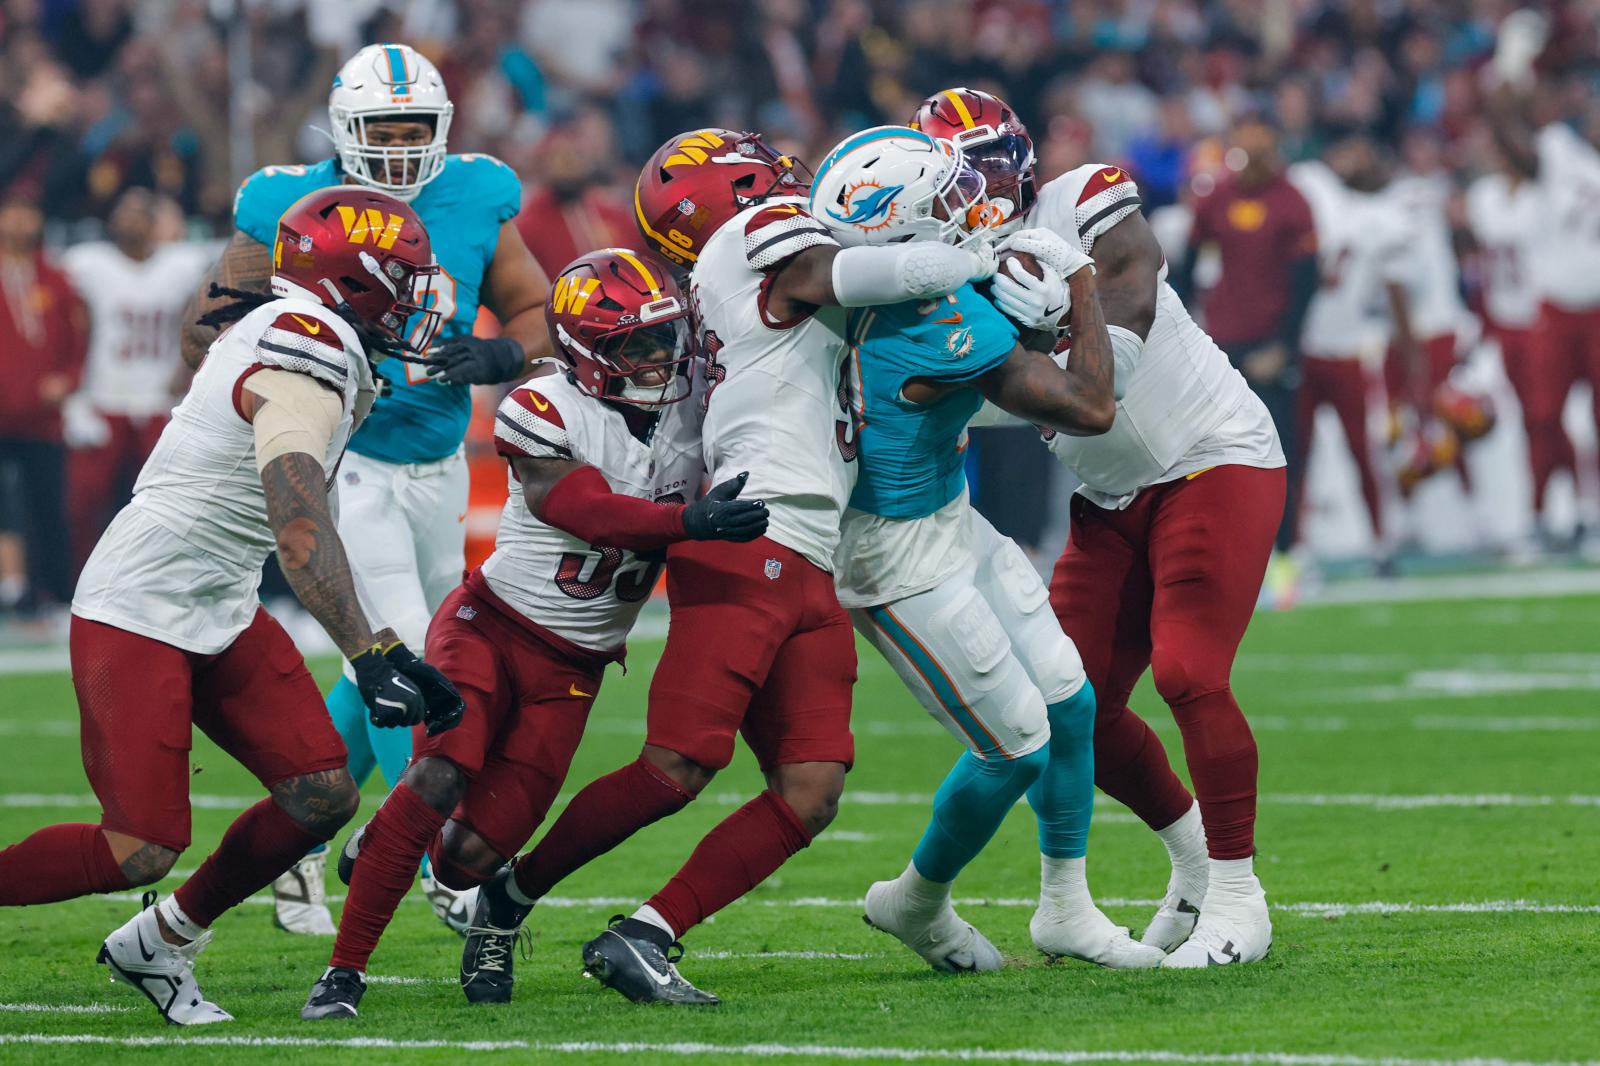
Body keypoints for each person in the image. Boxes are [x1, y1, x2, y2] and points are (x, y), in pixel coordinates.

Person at [458, 127, 994, 1007]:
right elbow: (847, 274)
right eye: (764, 171)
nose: (788, 177)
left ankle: (645, 932)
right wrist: (971, 254)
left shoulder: (725, 274)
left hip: (809, 548)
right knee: (678, 764)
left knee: (811, 789)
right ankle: (507, 898)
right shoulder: (754, 239)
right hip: (751, 536)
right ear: (736, 192)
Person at [0, 187, 464, 1024]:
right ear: (351, 283)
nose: (417, 293)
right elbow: (298, 527)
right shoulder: (304, 350)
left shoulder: (302, 332)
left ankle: (162, 942)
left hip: (219, 592)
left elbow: (291, 531)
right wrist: (368, 656)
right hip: (141, 603)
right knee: (137, 847)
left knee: (321, 793)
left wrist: (391, 650)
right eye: (401, 277)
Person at [301, 248, 770, 1019]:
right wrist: (689, 520)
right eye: (635, 346)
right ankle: (344, 973)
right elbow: (582, 509)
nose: (658, 359)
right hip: (493, 627)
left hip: (577, 664)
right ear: (587, 353)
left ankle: (397, 846)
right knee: (439, 777)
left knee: (469, 859)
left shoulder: (698, 405)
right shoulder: (544, 404)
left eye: (664, 339)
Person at [180, 42, 554, 936]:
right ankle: (436, 855)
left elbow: (537, 314)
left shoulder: (474, 192)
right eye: (378, 130)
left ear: (441, 130)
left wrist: (503, 353)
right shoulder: (283, 202)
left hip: (437, 461)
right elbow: (205, 332)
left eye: (412, 129)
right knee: (407, 650)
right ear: (343, 131)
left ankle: (300, 843)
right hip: (340, 461)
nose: (395, 146)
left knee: (383, 663)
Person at [918, 87, 1285, 967]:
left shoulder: (1080, 201)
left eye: (995, 163)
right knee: (1065, 704)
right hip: (1113, 497)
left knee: (1192, 673)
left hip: (1210, 457)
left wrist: (1000, 374)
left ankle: (1241, 898)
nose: (983, 188)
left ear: (1026, 159)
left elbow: (1127, 306)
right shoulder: (932, 261)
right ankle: (1197, 863)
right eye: (960, 174)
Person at [812, 125, 1160, 972]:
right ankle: (916, 904)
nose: (969, 211)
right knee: (1015, 745)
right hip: (894, 557)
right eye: (943, 203)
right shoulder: (936, 323)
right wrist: (1075, 279)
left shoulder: (838, 282)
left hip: (948, 514)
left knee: (1070, 702)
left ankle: (1067, 910)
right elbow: (1091, 406)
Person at [1180, 115, 1317, 566]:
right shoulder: (1215, 197)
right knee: (1218, 456)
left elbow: (1305, 283)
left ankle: (1285, 556)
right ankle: (1230, 555)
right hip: (1222, 345)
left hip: (1270, 344)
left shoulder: (1292, 201)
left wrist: (1284, 346)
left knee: (1280, 452)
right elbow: (1185, 268)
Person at [60, 188, 214, 574]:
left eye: (138, 213)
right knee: (83, 501)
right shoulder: (87, 263)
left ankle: (164, 579)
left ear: (156, 222)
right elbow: (69, 323)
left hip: (159, 400)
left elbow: (207, 311)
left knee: (170, 500)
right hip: (103, 396)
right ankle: (80, 582)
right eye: (122, 211)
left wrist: (186, 368)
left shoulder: (181, 264)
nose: (129, 220)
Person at [1465, 133, 1566, 544]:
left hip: (1539, 316)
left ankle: (1555, 507)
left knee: (1545, 416)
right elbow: (1475, 258)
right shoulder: (1482, 196)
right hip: (1502, 317)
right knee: (1527, 418)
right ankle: (1543, 509)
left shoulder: (1542, 196)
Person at [0, 183, 85, 614]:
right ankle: (14, 592)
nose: (18, 222)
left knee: (48, 506)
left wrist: (67, 381)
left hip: (43, 417)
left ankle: (56, 594)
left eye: (26, 213)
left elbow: (78, 342)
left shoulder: (56, 279)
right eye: (10, 212)